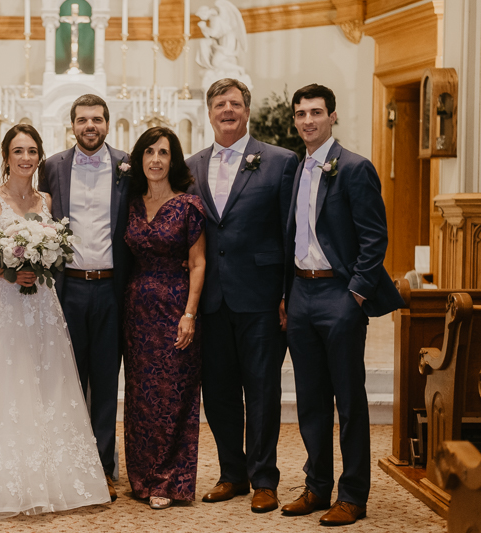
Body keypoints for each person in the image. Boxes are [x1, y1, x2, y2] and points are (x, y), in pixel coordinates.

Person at [0, 124, 110, 518]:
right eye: (18, 151)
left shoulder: (46, 199)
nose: (26, 158)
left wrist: (41, 259)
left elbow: (56, 248)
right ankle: (5, 480)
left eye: (32, 151)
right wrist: (4, 269)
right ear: (6, 156)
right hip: (7, 305)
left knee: (48, 383)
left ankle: (51, 477)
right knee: (9, 384)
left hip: (44, 305)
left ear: (40, 156)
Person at [281, 84, 404, 526]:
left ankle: (352, 495)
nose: (308, 120)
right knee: (310, 400)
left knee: (349, 400)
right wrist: (286, 296)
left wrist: (355, 293)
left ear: (333, 116)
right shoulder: (296, 169)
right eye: (301, 113)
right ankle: (316, 488)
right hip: (300, 293)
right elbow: (290, 237)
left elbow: (375, 237)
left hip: (339, 294)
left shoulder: (354, 167)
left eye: (316, 112)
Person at [186, 78, 298, 513]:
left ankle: (265, 478)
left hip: (261, 295)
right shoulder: (191, 166)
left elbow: (290, 231)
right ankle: (232, 473)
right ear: (209, 112)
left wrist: (288, 291)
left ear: (246, 111)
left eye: (234, 103)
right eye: (219, 103)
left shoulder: (279, 161)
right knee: (218, 392)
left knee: (263, 389)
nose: (227, 110)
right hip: (211, 298)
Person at [38, 94, 131, 501]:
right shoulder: (52, 166)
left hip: (113, 288)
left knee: (107, 382)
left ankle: (104, 468)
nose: (89, 126)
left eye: (96, 119)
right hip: (68, 286)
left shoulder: (128, 164)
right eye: (82, 120)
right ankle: (67, 466)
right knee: (68, 380)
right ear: (71, 124)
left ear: (108, 124)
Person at [123, 127, 206, 510]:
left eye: (164, 153)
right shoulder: (129, 202)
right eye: (149, 152)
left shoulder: (188, 205)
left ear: (173, 160)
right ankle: (141, 477)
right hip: (137, 310)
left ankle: (170, 481)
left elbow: (198, 262)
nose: (156, 159)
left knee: (174, 396)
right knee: (141, 396)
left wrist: (190, 313)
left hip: (176, 307)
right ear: (140, 159)